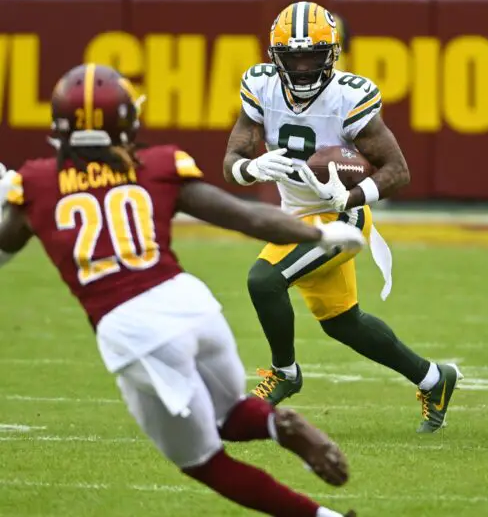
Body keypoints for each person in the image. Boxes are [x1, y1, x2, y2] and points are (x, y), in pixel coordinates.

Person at [0, 63, 365, 517]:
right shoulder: (155, 164)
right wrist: (323, 236)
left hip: (130, 327)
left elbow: (4, 246)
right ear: (128, 121)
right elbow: (245, 216)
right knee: (230, 412)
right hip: (190, 303)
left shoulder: (33, 182)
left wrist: (8, 198)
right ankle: (278, 425)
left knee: (203, 461)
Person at [222, 1, 462, 434]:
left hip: (340, 217)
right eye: (291, 56)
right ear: (274, 56)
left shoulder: (349, 96)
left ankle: (286, 373)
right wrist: (250, 169)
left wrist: (349, 194)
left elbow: (398, 171)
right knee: (343, 324)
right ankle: (433, 378)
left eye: (311, 55)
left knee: (264, 279)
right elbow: (233, 156)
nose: (300, 66)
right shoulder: (260, 86)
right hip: (294, 215)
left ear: (332, 53)